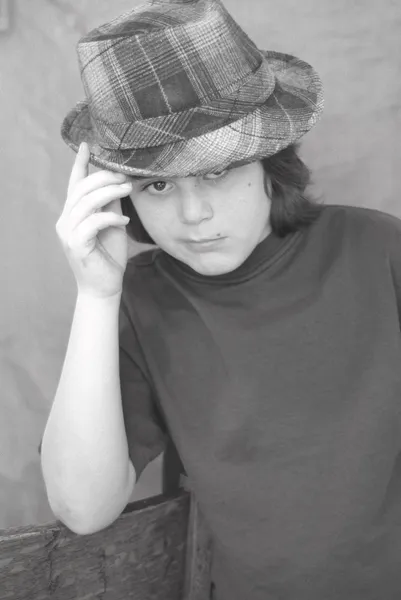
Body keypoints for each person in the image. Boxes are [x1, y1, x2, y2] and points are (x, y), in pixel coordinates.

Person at [38, 0, 401, 598]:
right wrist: (96, 296)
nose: (193, 214)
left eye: (217, 171)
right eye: (158, 184)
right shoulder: (140, 300)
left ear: (267, 159)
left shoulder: (376, 248)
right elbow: (82, 509)